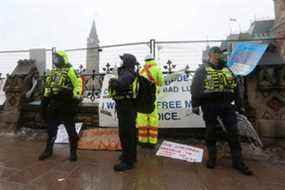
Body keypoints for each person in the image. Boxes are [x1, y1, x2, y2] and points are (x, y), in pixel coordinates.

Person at [190, 46, 253, 175]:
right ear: (210, 55)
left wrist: (240, 105)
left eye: (220, 53)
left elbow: (236, 88)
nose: (219, 56)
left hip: (227, 105)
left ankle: (238, 161)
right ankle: (212, 158)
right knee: (211, 132)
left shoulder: (228, 69)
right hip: (209, 105)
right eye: (217, 53)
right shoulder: (202, 70)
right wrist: (195, 105)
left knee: (233, 133)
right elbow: (195, 88)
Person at [39, 50, 82, 161]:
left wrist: (73, 94)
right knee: (51, 128)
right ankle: (48, 150)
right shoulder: (53, 71)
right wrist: (45, 100)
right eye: (54, 58)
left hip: (67, 103)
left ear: (63, 58)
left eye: (57, 58)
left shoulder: (71, 70)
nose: (55, 60)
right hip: (54, 103)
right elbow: (48, 85)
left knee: (70, 129)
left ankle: (73, 152)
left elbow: (78, 84)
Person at [109, 53, 138, 171]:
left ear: (126, 62)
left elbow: (120, 84)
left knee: (126, 134)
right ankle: (130, 155)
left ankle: (128, 162)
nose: (121, 62)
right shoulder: (130, 72)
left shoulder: (127, 74)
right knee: (130, 133)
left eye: (122, 60)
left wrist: (113, 81)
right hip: (128, 107)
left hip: (126, 108)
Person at [136, 55, 164, 148]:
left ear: (145, 61)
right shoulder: (157, 69)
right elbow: (161, 82)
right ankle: (152, 142)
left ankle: (142, 141)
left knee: (142, 120)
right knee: (153, 119)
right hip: (152, 98)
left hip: (141, 99)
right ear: (153, 60)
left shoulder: (141, 71)